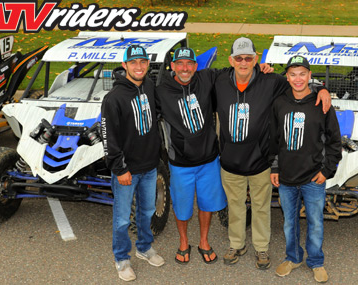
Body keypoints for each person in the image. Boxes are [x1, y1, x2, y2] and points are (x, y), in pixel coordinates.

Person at [214, 37, 332, 270]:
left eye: (249, 58)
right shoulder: (218, 81)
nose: (244, 62)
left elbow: (299, 83)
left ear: (256, 59)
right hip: (230, 162)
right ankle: (236, 244)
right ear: (231, 60)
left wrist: (322, 88)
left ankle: (261, 248)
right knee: (235, 206)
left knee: (260, 207)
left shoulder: (271, 81)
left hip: (260, 161)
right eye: (239, 58)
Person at [269, 55, 342, 283]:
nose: (298, 79)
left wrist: (326, 170)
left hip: (313, 177)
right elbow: (273, 139)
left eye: (302, 74)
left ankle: (316, 261)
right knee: (289, 223)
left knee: (315, 222)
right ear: (287, 77)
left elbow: (334, 141)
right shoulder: (279, 103)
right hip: (286, 177)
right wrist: (274, 167)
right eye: (293, 74)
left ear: (310, 76)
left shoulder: (322, 103)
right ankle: (293, 257)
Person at [155, 47, 227, 265]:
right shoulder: (161, 91)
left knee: (207, 204)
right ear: (173, 67)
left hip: (209, 160)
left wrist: (259, 69)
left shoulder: (207, 79)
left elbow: (238, 73)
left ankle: (204, 241)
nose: (185, 68)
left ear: (196, 66)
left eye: (189, 64)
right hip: (180, 163)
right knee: (182, 205)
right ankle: (184, 241)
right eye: (180, 64)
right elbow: (135, 97)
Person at [101, 44, 164, 282]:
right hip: (127, 171)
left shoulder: (148, 85)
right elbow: (109, 138)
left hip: (149, 166)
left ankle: (145, 247)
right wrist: (119, 168)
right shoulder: (113, 98)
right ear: (125, 65)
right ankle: (122, 258)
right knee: (121, 219)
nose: (139, 67)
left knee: (147, 211)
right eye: (134, 63)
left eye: (143, 62)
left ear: (148, 64)